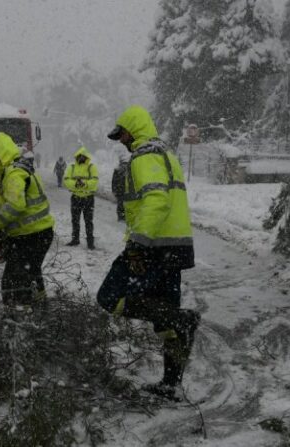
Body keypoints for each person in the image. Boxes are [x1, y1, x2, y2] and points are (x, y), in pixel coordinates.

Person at [97, 105, 200, 400]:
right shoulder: (166, 154)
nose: (121, 141)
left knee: (108, 296)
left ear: (134, 131)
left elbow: (157, 200)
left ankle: (182, 319)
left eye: (122, 134)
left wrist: (137, 246)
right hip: (175, 246)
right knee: (165, 322)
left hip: (154, 247)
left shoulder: (145, 156)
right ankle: (171, 384)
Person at [0, 132, 55, 306]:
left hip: (32, 236)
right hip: (39, 233)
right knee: (31, 273)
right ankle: (39, 307)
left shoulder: (13, 174)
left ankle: (19, 312)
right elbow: (5, 190)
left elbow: (16, 205)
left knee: (13, 281)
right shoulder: (15, 170)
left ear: (3, 158)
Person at [63, 147, 99, 249]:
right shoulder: (72, 167)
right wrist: (75, 184)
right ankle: (75, 240)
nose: (81, 158)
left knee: (88, 221)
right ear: (77, 156)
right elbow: (66, 180)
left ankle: (90, 242)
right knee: (75, 220)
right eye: (80, 156)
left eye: (83, 156)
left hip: (88, 198)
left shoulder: (91, 167)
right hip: (75, 197)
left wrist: (84, 184)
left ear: (86, 157)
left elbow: (95, 181)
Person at [111, 156, 129, 221]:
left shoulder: (117, 169)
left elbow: (113, 181)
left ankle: (121, 217)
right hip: (126, 190)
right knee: (126, 204)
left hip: (119, 189)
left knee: (120, 204)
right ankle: (124, 217)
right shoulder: (130, 169)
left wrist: (114, 190)